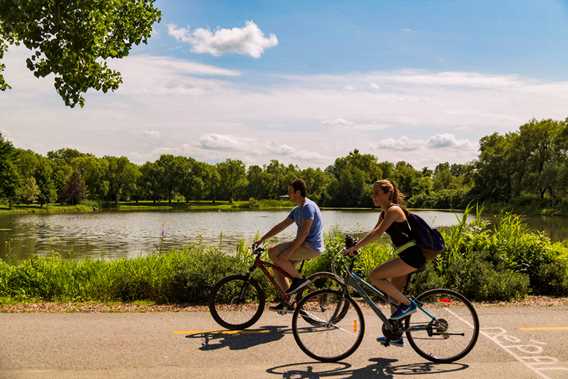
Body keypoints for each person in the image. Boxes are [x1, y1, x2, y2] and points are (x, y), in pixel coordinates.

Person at [343, 179, 427, 347]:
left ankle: (409, 304)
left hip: (411, 256)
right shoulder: (384, 213)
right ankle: (395, 334)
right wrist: (357, 245)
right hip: (405, 256)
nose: (373, 196)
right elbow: (373, 232)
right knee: (393, 295)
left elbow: (377, 234)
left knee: (374, 276)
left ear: (388, 193)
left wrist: (355, 247)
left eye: (376, 193)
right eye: (372, 193)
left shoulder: (394, 210)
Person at [255, 178, 324, 311]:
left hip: (311, 247)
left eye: (290, 192)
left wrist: (290, 251)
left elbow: (304, 234)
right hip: (302, 244)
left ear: (298, 192)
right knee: (274, 259)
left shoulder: (308, 207)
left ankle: (299, 280)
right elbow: (281, 226)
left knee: (281, 259)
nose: (288, 195)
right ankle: (288, 300)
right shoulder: (297, 210)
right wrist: (262, 238)